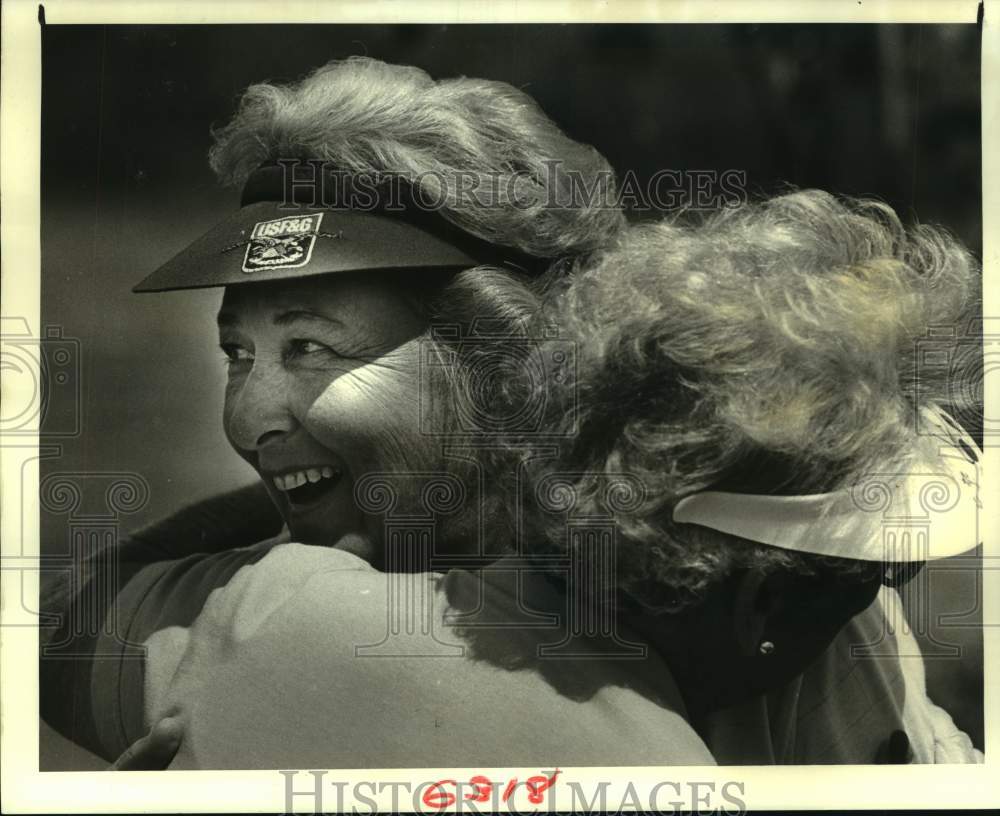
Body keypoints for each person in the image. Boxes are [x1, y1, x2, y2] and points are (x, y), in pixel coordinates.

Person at [41, 59, 981, 768]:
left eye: (314, 348)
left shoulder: (294, 616)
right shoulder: (805, 563)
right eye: (237, 353)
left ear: (501, 360)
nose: (249, 417)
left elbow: (64, 624)